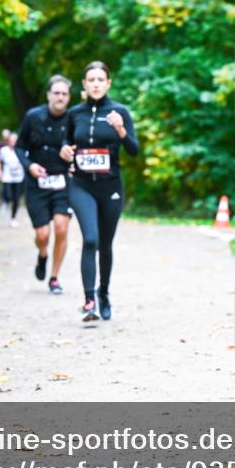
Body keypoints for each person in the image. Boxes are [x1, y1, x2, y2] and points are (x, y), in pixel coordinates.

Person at [59, 61, 138, 321]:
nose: (95, 83)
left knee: (105, 244)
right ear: (84, 84)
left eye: (100, 79)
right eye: (90, 79)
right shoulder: (74, 114)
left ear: (108, 83)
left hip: (111, 187)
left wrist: (120, 129)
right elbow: (66, 142)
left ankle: (104, 293)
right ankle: (89, 300)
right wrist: (65, 150)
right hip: (82, 185)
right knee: (89, 239)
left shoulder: (119, 111)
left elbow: (134, 150)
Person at [16, 75, 74, 294]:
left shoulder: (73, 119)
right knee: (43, 235)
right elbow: (20, 147)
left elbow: (81, 147)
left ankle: (54, 277)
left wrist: (74, 161)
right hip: (37, 184)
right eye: (56, 93)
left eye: (64, 94)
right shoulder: (33, 117)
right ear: (49, 95)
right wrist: (29, 166)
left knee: (61, 228)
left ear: (69, 97)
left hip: (62, 183)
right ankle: (42, 255)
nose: (60, 97)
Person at [0, 132, 25, 227]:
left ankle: (13, 218)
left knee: (16, 199)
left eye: (15, 140)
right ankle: (5, 202)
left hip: (19, 177)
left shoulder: (22, 150)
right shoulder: (3, 150)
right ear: (8, 141)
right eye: (11, 140)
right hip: (7, 176)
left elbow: (27, 161)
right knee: (9, 195)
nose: (13, 142)